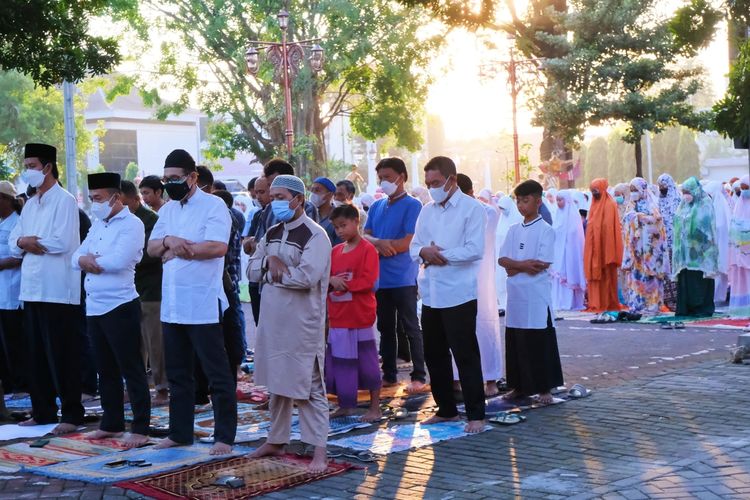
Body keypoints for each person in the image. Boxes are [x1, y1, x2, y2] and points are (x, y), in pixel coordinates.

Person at [147, 149, 237, 455]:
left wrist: (179, 249)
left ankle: (224, 436)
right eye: (167, 179)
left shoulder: (213, 206)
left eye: (176, 178)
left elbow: (216, 247)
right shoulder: (168, 211)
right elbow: (152, 248)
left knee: (217, 374)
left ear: (193, 177)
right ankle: (180, 432)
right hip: (172, 305)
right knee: (178, 374)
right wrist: (170, 242)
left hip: (202, 303)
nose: (171, 183)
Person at [248, 175, 332, 473]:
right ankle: (276, 439)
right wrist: (269, 264)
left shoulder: (316, 235)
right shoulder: (271, 232)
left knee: (309, 388)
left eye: (281, 196)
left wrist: (273, 270)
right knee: (277, 385)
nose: (275, 202)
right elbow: (251, 271)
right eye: (273, 196)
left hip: (302, 325)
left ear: (298, 199)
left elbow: (307, 277)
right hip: (272, 323)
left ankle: (319, 451)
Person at [72, 173, 150, 447]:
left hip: (120, 305)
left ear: (116, 198)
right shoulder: (97, 225)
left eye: (99, 198)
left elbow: (119, 261)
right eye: (92, 199)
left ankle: (140, 426)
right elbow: (75, 256)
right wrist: (84, 260)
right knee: (104, 369)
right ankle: (112, 423)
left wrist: (89, 262)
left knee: (131, 367)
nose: (94, 204)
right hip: (94, 305)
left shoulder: (132, 224)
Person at [10, 143, 83, 435]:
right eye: (26, 166)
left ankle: (72, 414)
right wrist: (26, 242)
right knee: (36, 354)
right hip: (31, 289)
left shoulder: (64, 200)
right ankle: (42, 411)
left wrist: (29, 243)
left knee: (62, 354)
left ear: (48, 167)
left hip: (57, 289)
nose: (28, 172)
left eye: (32, 166)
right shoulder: (30, 203)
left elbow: (61, 242)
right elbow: (13, 241)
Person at [409, 156, 486, 433]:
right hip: (431, 293)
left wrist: (441, 255)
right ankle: (446, 409)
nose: (432, 188)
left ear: (452, 180)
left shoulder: (472, 209)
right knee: (434, 354)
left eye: (437, 183)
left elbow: (475, 249)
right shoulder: (427, 210)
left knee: (465, 354)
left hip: (459, 294)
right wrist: (423, 252)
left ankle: (476, 414)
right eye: (428, 183)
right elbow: (414, 246)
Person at [498, 180, 564, 405]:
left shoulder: (546, 230)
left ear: (538, 201)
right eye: (518, 200)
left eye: (525, 200)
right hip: (516, 295)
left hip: (536, 295)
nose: (521, 205)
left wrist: (517, 266)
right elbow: (502, 259)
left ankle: (545, 388)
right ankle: (519, 387)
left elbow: (541, 264)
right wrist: (522, 265)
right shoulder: (513, 229)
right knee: (516, 341)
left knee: (539, 341)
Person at [364, 157, 427, 393]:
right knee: (386, 328)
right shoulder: (377, 206)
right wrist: (379, 243)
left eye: (388, 177)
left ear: (402, 177)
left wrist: (381, 245)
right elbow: (366, 235)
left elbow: (408, 242)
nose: (384, 182)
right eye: (381, 177)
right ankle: (389, 374)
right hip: (381, 279)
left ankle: (419, 375)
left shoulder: (413, 205)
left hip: (403, 277)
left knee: (411, 326)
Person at [325, 204, 382, 421]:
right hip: (338, 315)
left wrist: (344, 284)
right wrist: (331, 281)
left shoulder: (367, 249)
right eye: (336, 227)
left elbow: (369, 281)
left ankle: (374, 407)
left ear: (356, 222)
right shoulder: (335, 251)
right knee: (340, 362)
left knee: (367, 361)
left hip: (359, 315)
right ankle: (345, 404)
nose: (339, 231)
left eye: (343, 225)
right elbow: (326, 277)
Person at [120, 180, 168, 405]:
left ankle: (162, 390)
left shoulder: (151, 220)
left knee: (154, 343)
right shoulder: (115, 222)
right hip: (128, 292)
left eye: (121, 202)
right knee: (132, 344)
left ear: (132, 199)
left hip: (151, 291)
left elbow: (150, 254)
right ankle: (135, 388)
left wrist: (121, 258)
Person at [455, 175, 503, 396]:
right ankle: (456, 379)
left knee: (484, 325)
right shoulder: (450, 213)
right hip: (456, 278)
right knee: (457, 331)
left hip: (481, 279)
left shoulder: (488, 212)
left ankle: (491, 378)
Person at [621, 178, 670, 314]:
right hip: (635, 252)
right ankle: (637, 305)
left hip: (650, 252)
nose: (633, 193)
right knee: (636, 278)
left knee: (651, 278)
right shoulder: (630, 206)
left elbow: (657, 224)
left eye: (635, 190)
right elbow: (625, 224)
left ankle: (652, 305)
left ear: (643, 190)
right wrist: (635, 218)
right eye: (631, 190)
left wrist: (643, 219)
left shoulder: (652, 205)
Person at [672, 177, 718, 317]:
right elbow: (678, 223)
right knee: (687, 279)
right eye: (683, 192)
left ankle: (701, 308)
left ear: (695, 190)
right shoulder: (683, 204)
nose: (685, 195)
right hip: (685, 255)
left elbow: (705, 225)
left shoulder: (705, 203)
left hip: (701, 254)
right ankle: (687, 308)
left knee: (698, 280)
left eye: (688, 192)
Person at [0, 182, 26, 396]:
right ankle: (7, 384)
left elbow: (19, 257)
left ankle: (21, 384)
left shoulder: (18, 222)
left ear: (5, 199)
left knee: (15, 342)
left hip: (12, 292)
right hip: (1, 293)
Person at [583, 178, 623, 313]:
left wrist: (608, 252)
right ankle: (595, 303)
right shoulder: (594, 204)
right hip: (594, 249)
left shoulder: (610, 204)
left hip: (606, 249)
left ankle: (607, 303)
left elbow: (610, 230)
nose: (594, 193)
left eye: (596, 190)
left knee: (606, 278)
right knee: (594, 276)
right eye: (592, 191)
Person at [551, 190, 586, 312]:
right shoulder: (557, 214)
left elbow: (574, 235)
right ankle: (559, 302)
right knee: (558, 278)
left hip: (569, 253)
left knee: (569, 276)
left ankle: (570, 302)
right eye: (557, 200)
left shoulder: (573, 215)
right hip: (558, 253)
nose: (559, 203)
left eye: (561, 200)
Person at [243, 176, 271, 326]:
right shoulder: (258, 215)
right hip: (255, 280)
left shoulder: (281, 216)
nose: (258, 197)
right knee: (259, 326)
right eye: (256, 193)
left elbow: (260, 246)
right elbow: (247, 246)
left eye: (262, 192)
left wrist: (256, 245)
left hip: (271, 283)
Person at [495, 195, 523, 315]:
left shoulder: (516, 219)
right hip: (500, 256)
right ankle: (502, 304)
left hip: (512, 257)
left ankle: (511, 304)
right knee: (500, 281)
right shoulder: (501, 219)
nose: (502, 211)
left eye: (503, 208)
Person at [705, 181, 731, 303]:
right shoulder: (710, 206)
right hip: (712, 247)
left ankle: (718, 298)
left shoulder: (720, 208)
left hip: (720, 245)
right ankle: (714, 299)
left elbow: (720, 227)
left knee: (721, 273)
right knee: (715, 273)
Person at [657, 174, 681, 311]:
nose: (662, 188)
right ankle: (667, 301)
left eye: (664, 186)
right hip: (662, 244)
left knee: (675, 273)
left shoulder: (677, 200)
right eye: (660, 186)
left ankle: (677, 301)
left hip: (675, 244)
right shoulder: (658, 201)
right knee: (666, 275)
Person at [729, 175, 750, 317]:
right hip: (740, 254)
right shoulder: (739, 205)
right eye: (742, 189)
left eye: (746, 188)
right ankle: (743, 309)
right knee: (743, 281)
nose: (743, 191)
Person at [310, 177, 339, 245]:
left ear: (330, 195)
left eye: (317, 190)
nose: (313, 194)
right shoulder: (308, 213)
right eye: (312, 190)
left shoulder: (338, 216)